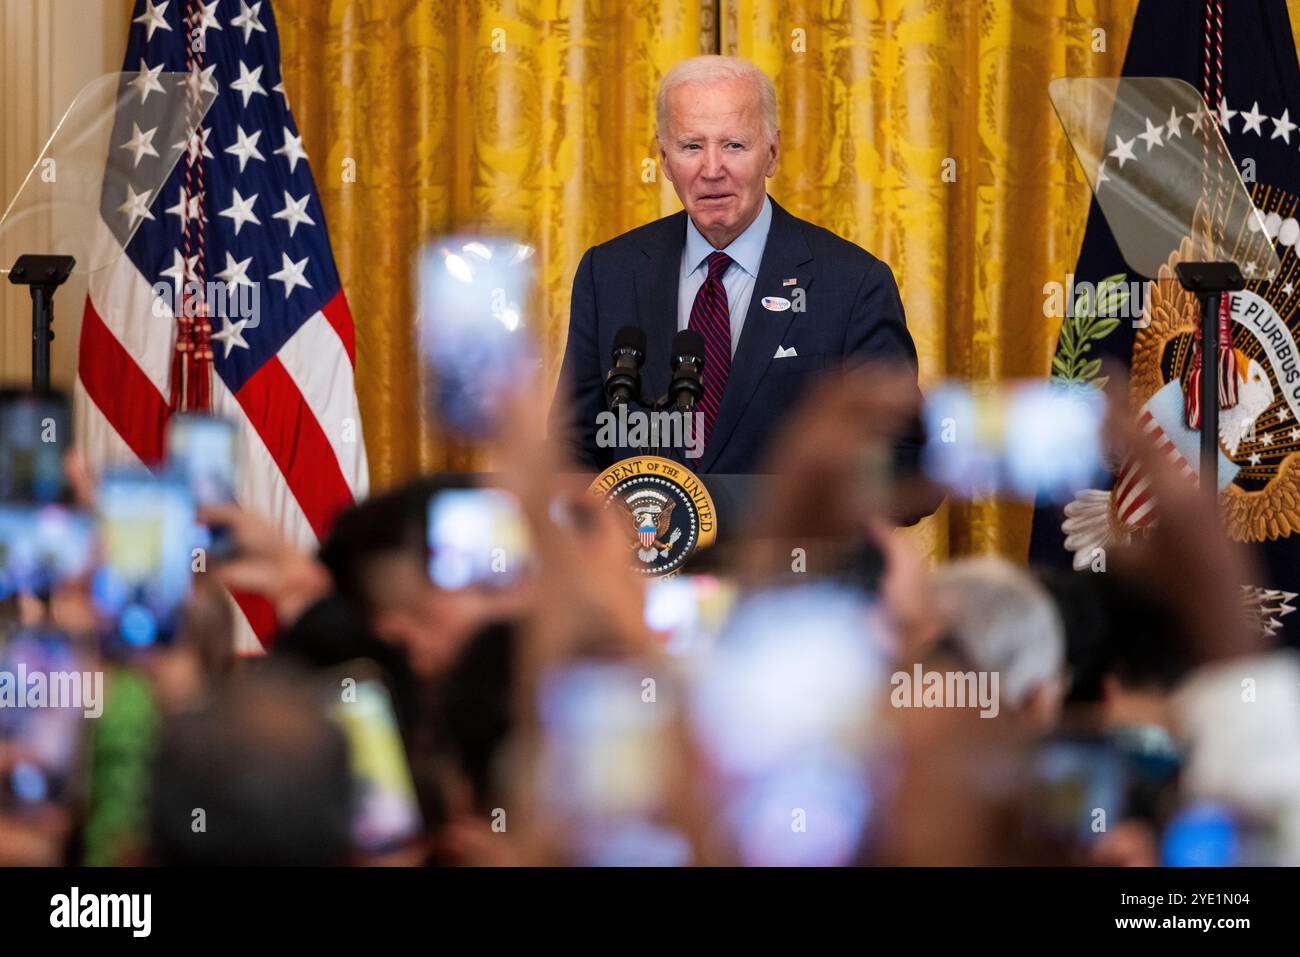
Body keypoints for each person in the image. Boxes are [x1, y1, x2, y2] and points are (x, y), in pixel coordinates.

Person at [551, 55, 930, 491]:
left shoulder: (852, 284)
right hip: (650, 550)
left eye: (734, 145)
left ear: (772, 153)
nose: (712, 170)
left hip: (792, 557)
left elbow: (906, 466)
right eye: (692, 146)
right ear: (664, 158)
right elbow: (573, 449)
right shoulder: (609, 273)